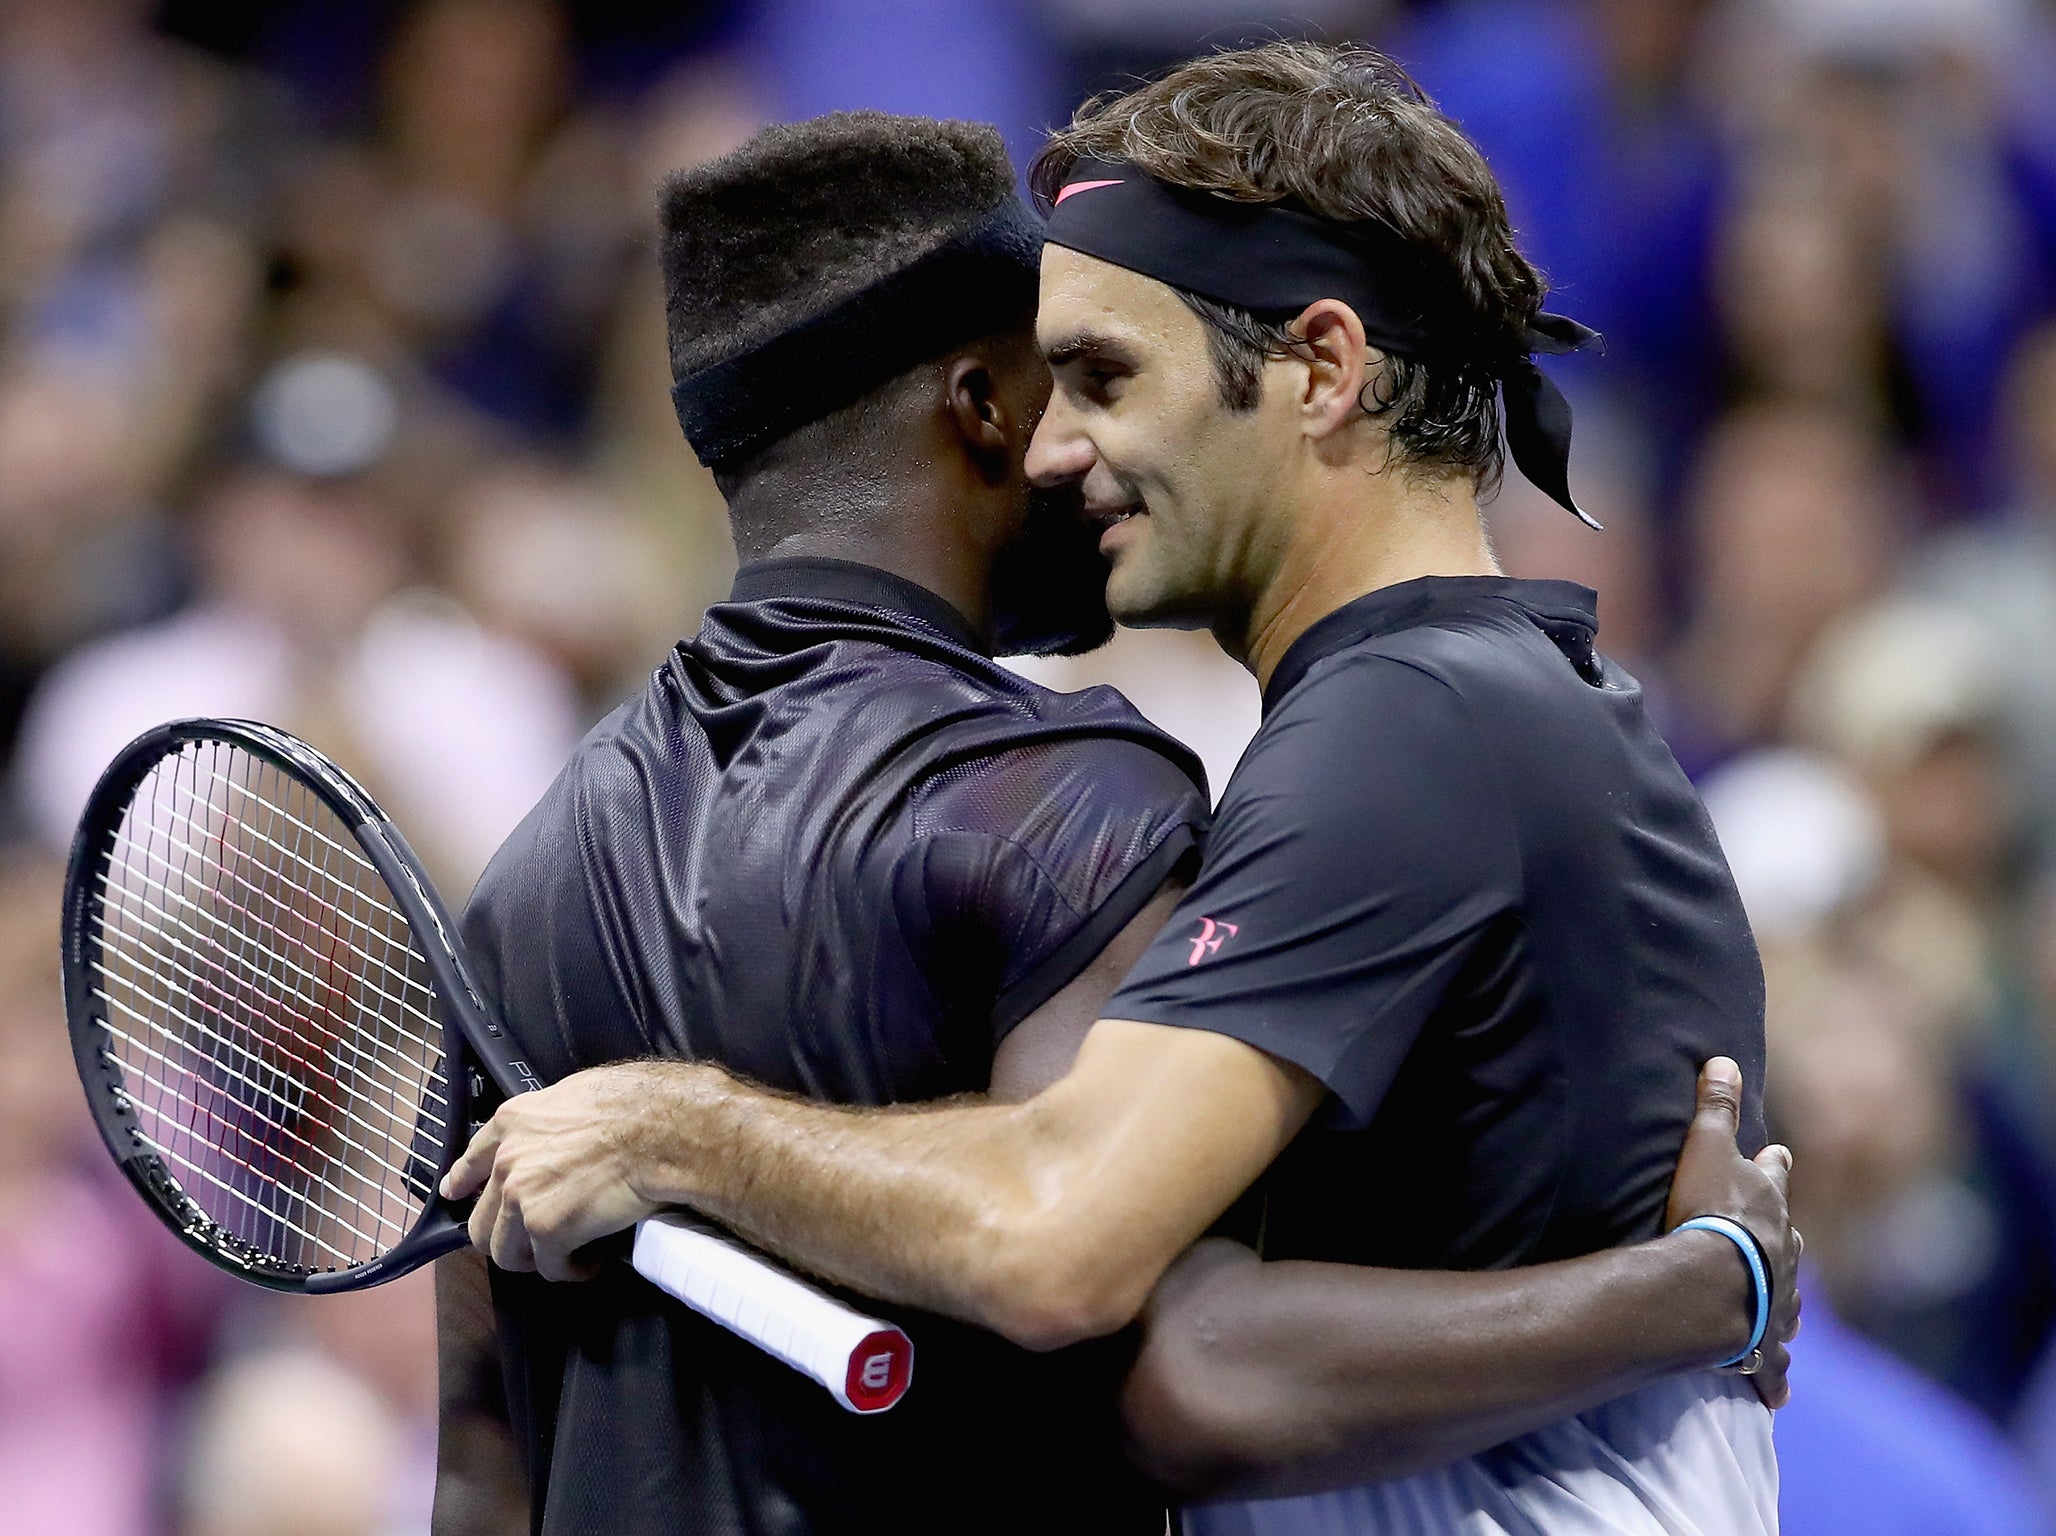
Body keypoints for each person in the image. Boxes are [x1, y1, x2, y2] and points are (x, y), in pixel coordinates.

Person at [439, 102, 1794, 1535]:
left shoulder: (526, 872)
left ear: (1323, 370)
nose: (1052, 449)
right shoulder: (1108, 785)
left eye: (1100, 377)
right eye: (1053, 379)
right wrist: (1700, 1290)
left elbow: (1108, 1287)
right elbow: (1145, 1323)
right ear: (973, 400)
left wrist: (683, 1131)